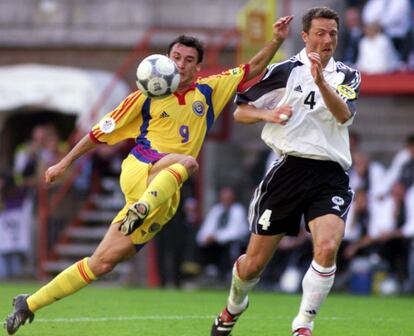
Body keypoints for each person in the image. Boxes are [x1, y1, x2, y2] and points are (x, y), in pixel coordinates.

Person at [4, 15, 294, 335]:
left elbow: (251, 69)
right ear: (165, 61)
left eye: (188, 60)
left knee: (102, 263)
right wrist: (64, 163)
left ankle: (28, 303)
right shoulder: (144, 96)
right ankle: (140, 208)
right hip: (141, 168)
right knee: (188, 162)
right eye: (176, 58)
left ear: (198, 67)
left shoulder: (210, 90)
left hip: (164, 194)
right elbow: (99, 133)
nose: (181, 65)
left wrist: (277, 40)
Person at [210, 7, 361, 336]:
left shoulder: (346, 75)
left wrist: (322, 83)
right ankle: (234, 306)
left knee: (326, 246)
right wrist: (269, 114)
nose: (327, 39)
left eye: (332, 33)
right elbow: (241, 112)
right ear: (305, 36)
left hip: (330, 174)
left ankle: (303, 324)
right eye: (320, 33)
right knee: (253, 265)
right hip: (288, 171)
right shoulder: (285, 70)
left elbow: (343, 115)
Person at [196, 186, 249, 282]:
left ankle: (229, 272)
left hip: (232, 243)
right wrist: (205, 237)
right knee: (203, 244)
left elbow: (235, 232)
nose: (226, 200)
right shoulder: (216, 210)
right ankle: (210, 270)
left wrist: (217, 237)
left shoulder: (238, 210)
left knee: (229, 246)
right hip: (215, 244)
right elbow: (207, 227)